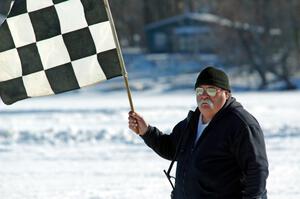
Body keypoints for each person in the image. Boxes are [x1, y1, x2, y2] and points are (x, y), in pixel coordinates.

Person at [128, 66, 269, 199]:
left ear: (226, 94)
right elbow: (171, 149)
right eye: (200, 91)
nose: (204, 96)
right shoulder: (192, 121)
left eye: (212, 90)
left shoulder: (240, 124)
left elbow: (257, 171)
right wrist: (146, 131)